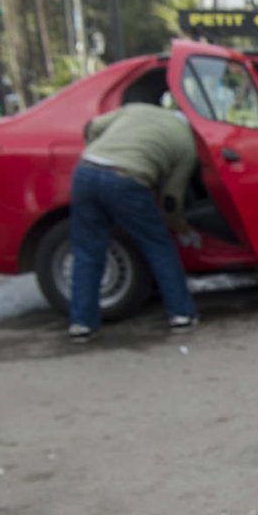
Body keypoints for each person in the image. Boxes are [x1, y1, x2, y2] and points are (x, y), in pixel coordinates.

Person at [68, 103, 200, 343]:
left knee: (87, 251)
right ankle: (181, 314)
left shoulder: (136, 109)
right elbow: (171, 198)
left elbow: (92, 126)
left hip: (85, 171)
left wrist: (97, 151)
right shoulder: (186, 144)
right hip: (127, 180)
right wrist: (178, 225)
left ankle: (82, 324)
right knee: (158, 246)